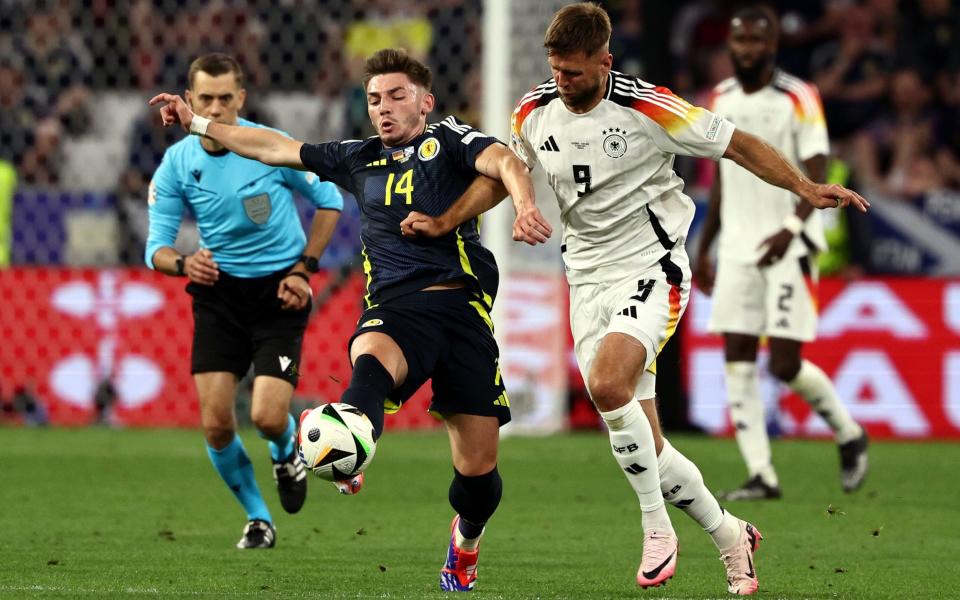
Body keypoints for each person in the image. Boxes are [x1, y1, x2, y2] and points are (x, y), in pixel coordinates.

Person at [399, 3, 869, 596]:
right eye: (556, 70)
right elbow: (503, 176)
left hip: (654, 267)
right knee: (648, 441)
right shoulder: (533, 110)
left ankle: (655, 527)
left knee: (606, 383)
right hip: (585, 279)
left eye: (573, 72)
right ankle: (730, 537)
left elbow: (738, 144)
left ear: (605, 61)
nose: (561, 82)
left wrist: (802, 185)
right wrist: (447, 222)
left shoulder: (651, 106)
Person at [149, 47, 548, 592]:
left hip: (461, 311)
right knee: (370, 361)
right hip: (395, 308)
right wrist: (198, 122)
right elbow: (273, 148)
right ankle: (348, 448)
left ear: (425, 101)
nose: (383, 108)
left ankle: (466, 542)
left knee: (478, 480)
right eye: (374, 98)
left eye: (396, 96)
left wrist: (524, 206)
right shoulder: (357, 157)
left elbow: (506, 163)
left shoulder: (450, 140)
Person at [145, 53, 344, 550]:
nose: (216, 106)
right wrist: (184, 263)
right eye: (205, 98)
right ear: (189, 101)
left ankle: (285, 452)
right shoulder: (177, 163)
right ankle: (258, 519)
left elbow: (331, 200)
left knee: (268, 417)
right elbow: (156, 248)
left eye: (225, 98)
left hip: (280, 290)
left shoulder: (266, 146)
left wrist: (305, 267)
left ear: (241, 99)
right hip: (218, 293)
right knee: (215, 424)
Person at [695, 7, 870, 500]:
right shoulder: (721, 98)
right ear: (729, 46)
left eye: (756, 41)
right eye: (739, 41)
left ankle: (849, 432)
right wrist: (704, 249)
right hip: (735, 246)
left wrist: (791, 229)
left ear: (772, 46)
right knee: (737, 356)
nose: (746, 49)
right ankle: (761, 474)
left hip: (788, 244)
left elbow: (818, 165)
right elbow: (725, 181)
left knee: (784, 363)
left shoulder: (799, 95)